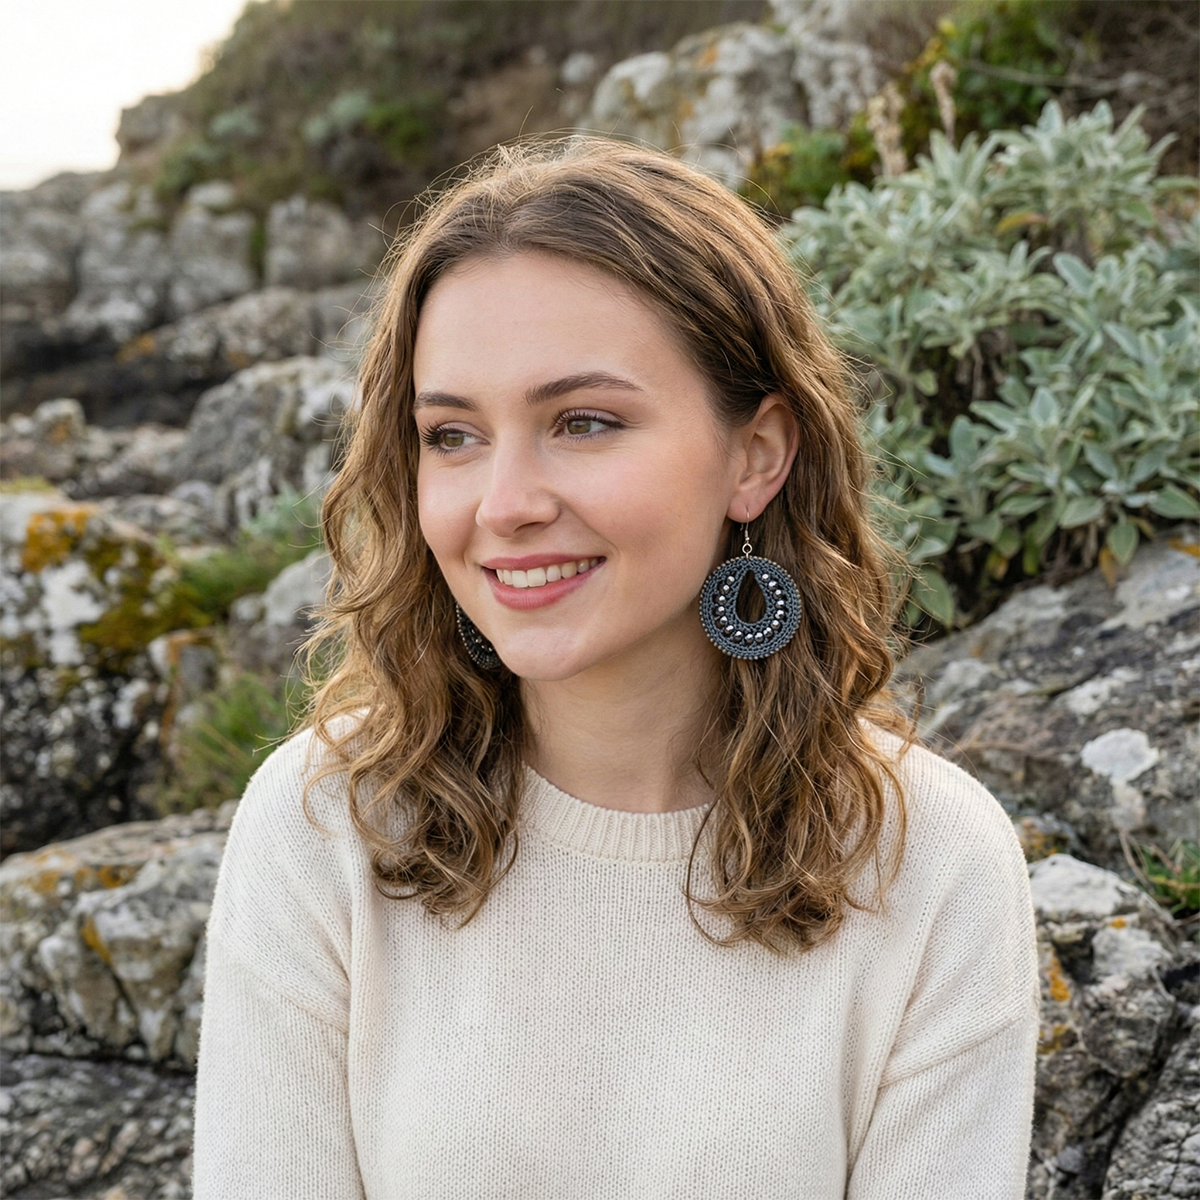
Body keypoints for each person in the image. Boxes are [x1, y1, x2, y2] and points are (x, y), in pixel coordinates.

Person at [192, 136, 1039, 1199]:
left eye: (583, 422)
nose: (504, 504)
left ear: (755, 455)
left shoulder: (934, 864)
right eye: (452, 436)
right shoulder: (323, 831)